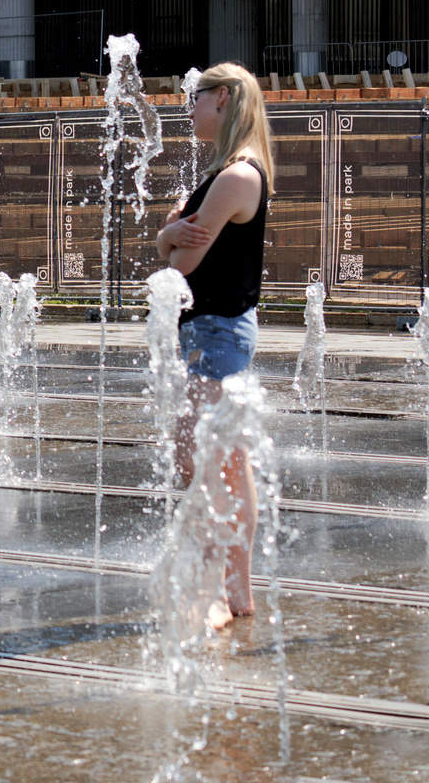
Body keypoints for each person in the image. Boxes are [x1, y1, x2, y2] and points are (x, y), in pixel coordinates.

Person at [154, 62, 275, 630]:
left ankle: (217, 594)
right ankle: (236, 591)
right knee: (222, 463)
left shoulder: (235, 178)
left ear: (223, 98)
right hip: (214, 331)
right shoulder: (228, 171)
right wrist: (166, 233)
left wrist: (167, 235)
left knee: (201, 460)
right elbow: (173, 242)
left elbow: (180, 263)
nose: (190, 107)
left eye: (195, 97)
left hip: (217, 333)